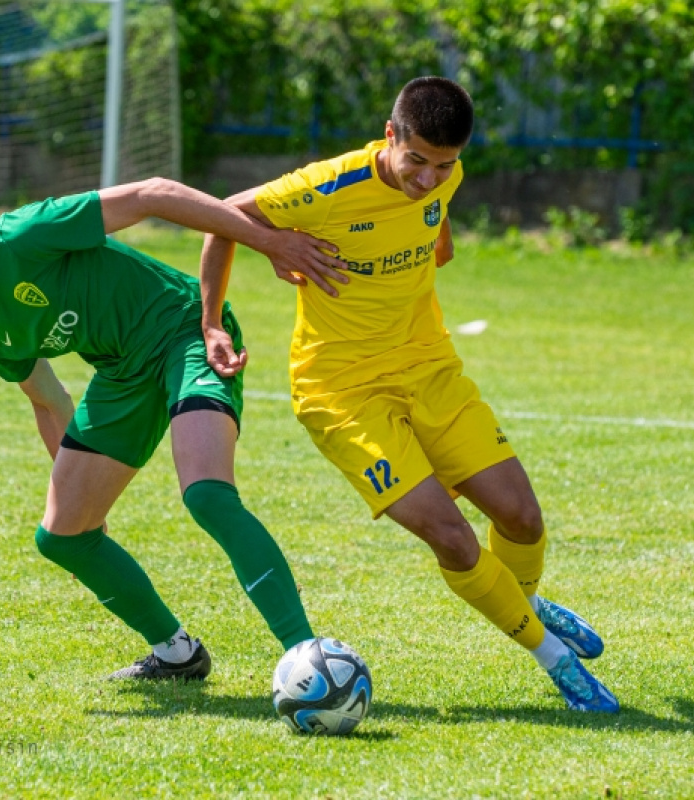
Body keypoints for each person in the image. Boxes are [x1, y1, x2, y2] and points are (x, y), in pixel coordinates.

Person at [199, 76, 619, 712]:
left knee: (522, 517)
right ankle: (552, 657)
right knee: (452, 537)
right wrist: (260, 259)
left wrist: (429, 236)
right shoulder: (326, 186)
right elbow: (220, 217)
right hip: (341, 389)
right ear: (390, 135)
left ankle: (522, 603)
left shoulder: (445, 177)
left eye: (443, 165)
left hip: (427, 367)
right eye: (416, 159)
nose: (428, 177)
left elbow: (435, 234)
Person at [0, 177, 346, 680]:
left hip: (184, 331)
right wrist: (82, 492)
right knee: (64, 537)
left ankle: (312, 659)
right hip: (121, 372)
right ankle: (177, 653)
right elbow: (47, 400)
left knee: (207, 495)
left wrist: (269, 241)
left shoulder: (16, 237)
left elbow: (151, 194)